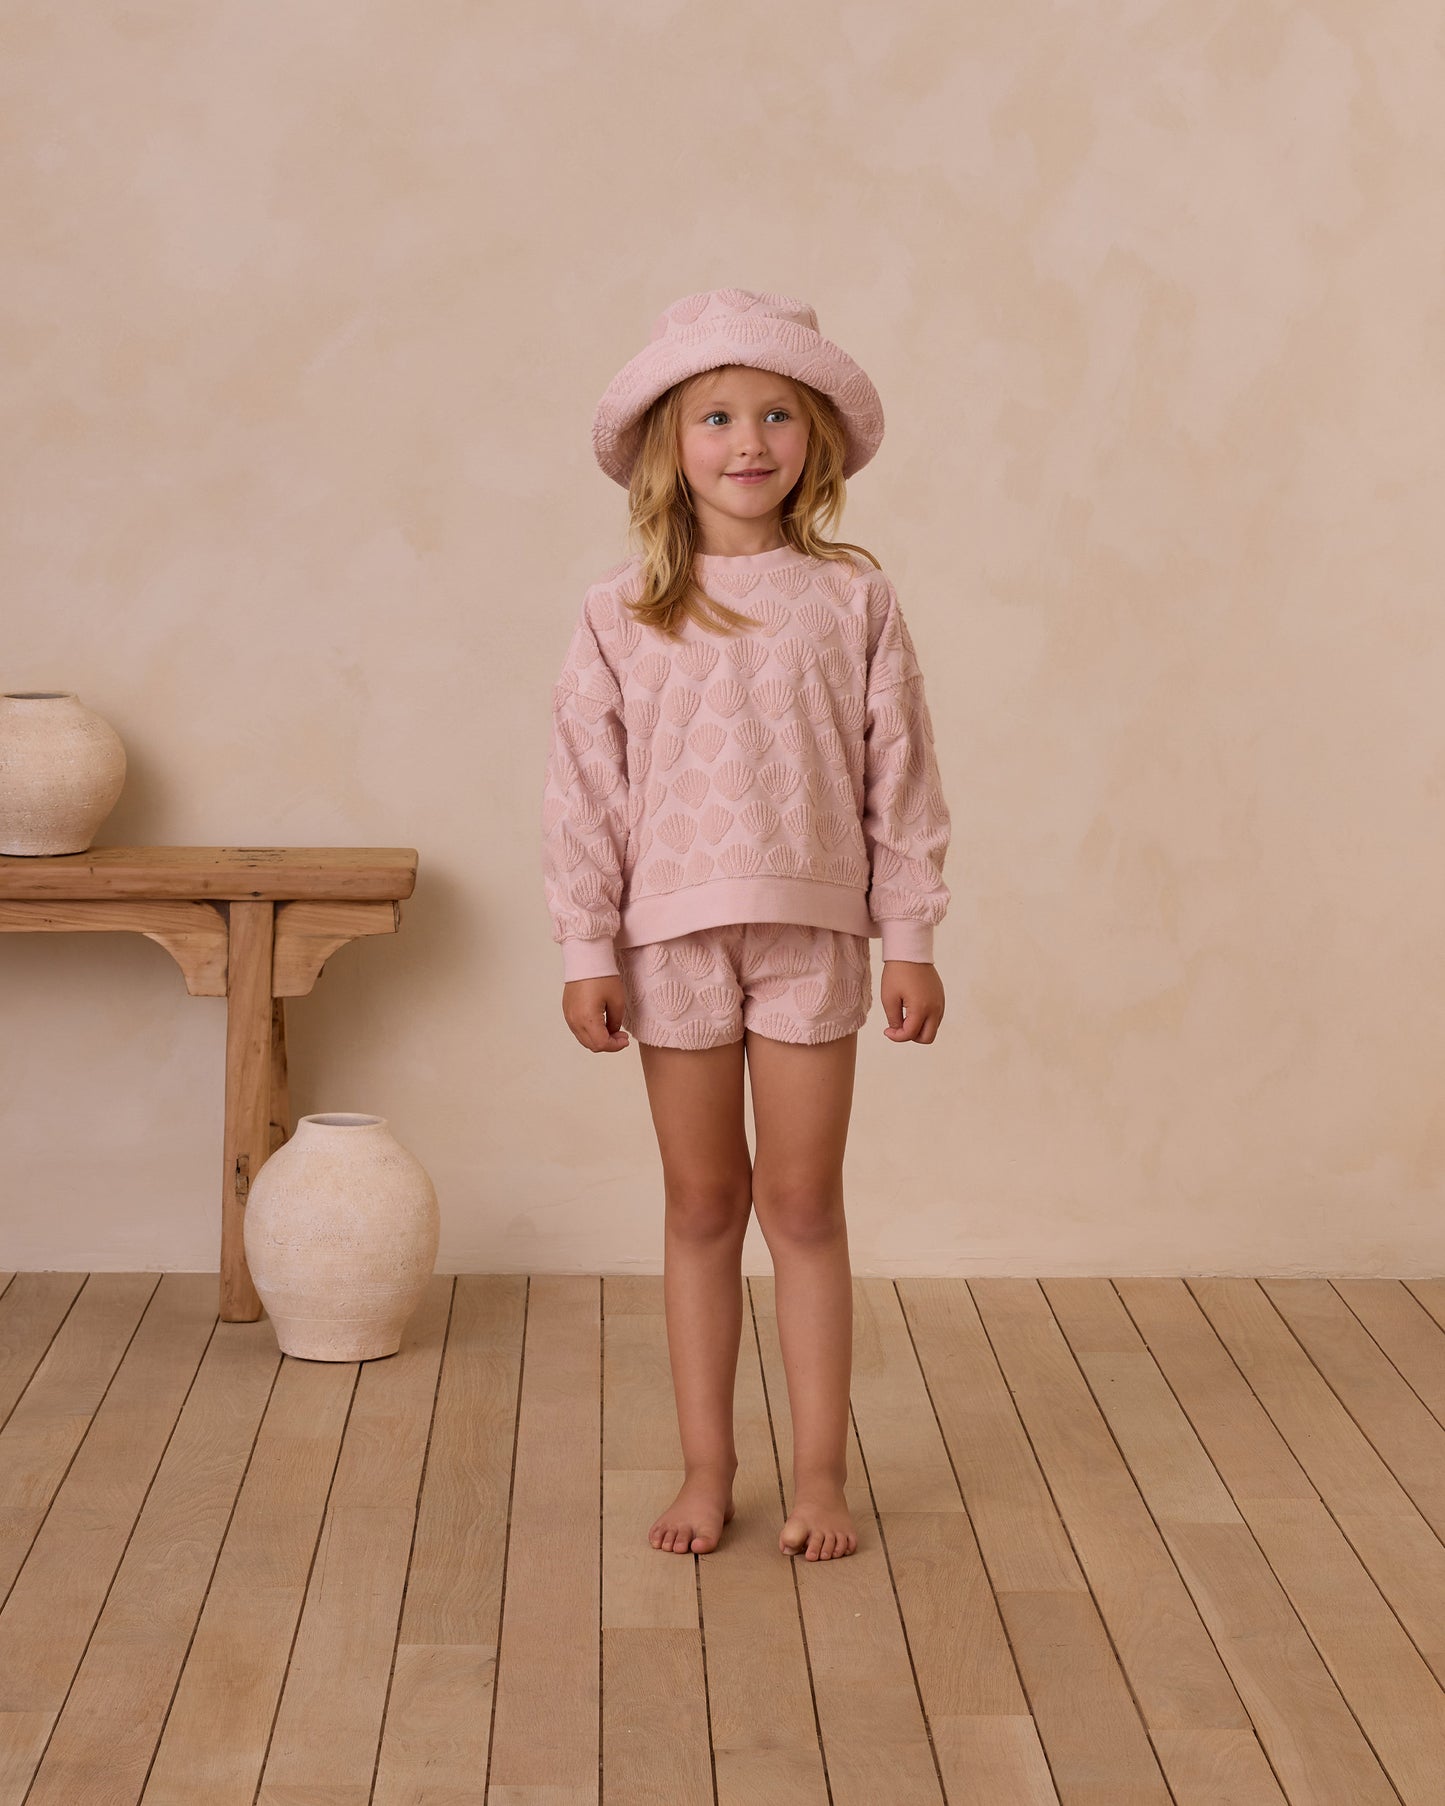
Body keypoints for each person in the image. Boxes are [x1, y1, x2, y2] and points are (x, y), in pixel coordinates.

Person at [541, 288, 951, 1563]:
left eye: (776, 414)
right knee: (703, 1203)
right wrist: (586, 949)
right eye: (715, 416)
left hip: (813, 937)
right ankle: (706, 1469)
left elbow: (901, 777)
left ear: (812, 438)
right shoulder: (618, 610)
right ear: (669, 444)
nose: (747, 441)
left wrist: (910, 937)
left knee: (804, 1204)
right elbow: (584, 791)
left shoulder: (853, 599)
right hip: (668, 944)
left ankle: (819, 1477)